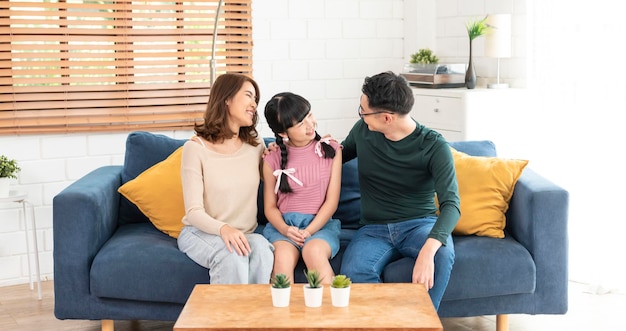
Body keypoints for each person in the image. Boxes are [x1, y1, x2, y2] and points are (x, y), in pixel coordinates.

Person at [339, 71, 460, 310]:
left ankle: (423, 325)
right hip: (373, 229)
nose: (361, 116)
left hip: (419, 224)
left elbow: (451, 205)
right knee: (354, 272)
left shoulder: (434, 145)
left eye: (363, 111)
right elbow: (331, 157)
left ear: (386, 118)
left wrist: (428, 250)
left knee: (441, 254)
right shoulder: (363, 132)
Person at [177, 73, 274, 284]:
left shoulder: (256, 145)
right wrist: (224, 229)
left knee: (262, 249)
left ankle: (254, 316)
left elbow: (275, 183)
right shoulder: (195, 149)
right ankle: (227, 318)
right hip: (201, 233)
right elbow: (193, 212)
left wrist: (277, 156)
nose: (254, 104)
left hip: (244, 234)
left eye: (255, 99)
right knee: (232, 253)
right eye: (248, 96)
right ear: (227, 99)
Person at [262, 92, 342, 284]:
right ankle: (282, 313)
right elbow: (270, 207)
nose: (310, 125)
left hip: (320, 225)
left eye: (309, 116)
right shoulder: (271, 158)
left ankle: (332, 312)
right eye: (300, 124)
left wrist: (309, 232)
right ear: (282, 133)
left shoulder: (331, 150)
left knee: (313, 252)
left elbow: (331, 202)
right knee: (282, 260)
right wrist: (285, 229)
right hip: (284, 227)